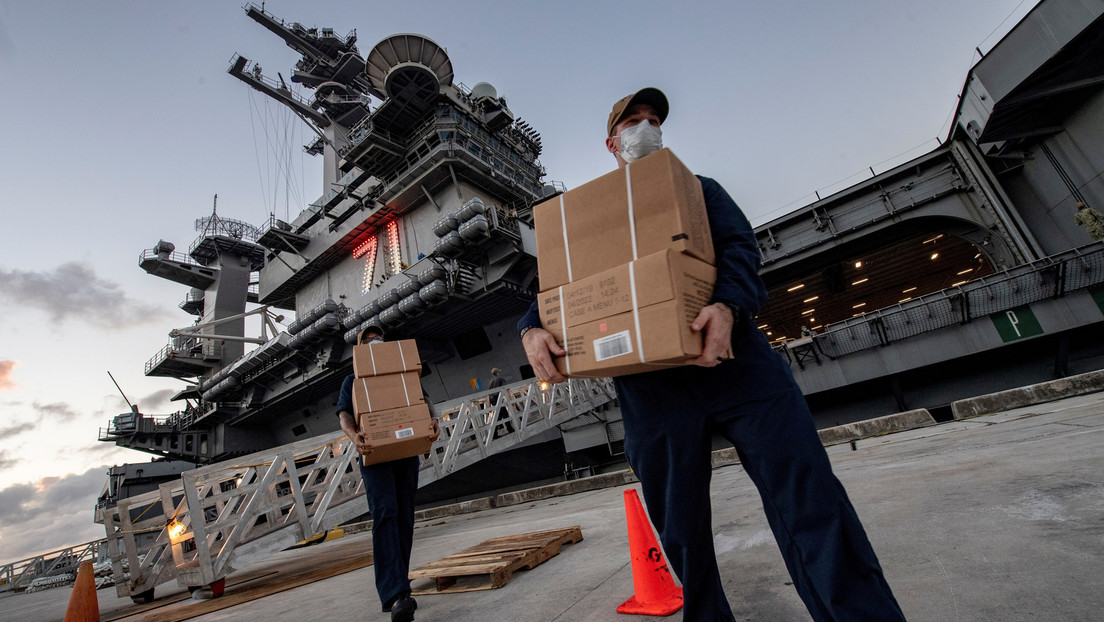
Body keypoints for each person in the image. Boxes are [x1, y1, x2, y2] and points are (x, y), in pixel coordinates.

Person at [517, 88, 905, 621]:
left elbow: (741, 249)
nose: (647, 127)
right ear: (612, 142)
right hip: (652, 389)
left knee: (811, 501)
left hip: (736, 363)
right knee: (682, 531)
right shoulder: (588, 215)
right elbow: (558, 287)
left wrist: (727, 305)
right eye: (635, 120)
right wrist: (529, 331)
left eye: (654, 120)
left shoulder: (700, 191)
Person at [336, 324, 440, 622]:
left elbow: (424, 403)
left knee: (405, 516)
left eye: (378, 339)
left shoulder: (404, 375)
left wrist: (433, 423)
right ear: (359, 349)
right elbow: (344, 413)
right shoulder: (353, 380)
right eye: (368, 340)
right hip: (375, 455)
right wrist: (354, 435)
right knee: (385, 514)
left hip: (406, 453)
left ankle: (399, 586)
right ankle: (394, 594)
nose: (375, 342)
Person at [486, 367, 515, 437]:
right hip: (498, 399)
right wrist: (511, 400)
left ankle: (510, 429)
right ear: (497, 373)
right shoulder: (501, 379)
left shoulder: (491, 382)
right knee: (498, 416)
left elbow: (488, 394)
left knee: (504, 414)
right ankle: (494, 434)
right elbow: (507, 391)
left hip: (493, 400)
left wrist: (488, 406)